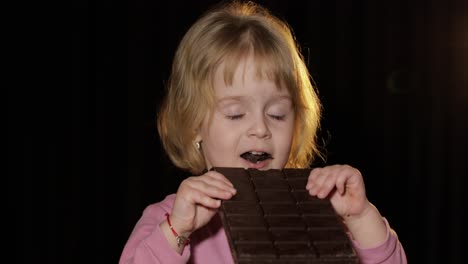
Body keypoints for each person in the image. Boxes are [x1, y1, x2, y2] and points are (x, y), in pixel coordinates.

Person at [119, 1, 407, 263]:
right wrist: (177, 231)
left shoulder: (323, 218)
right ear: (194, 125)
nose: (260, 128)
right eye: (235, 114)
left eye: (277, 114)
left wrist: (360, 217)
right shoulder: (168, 220)